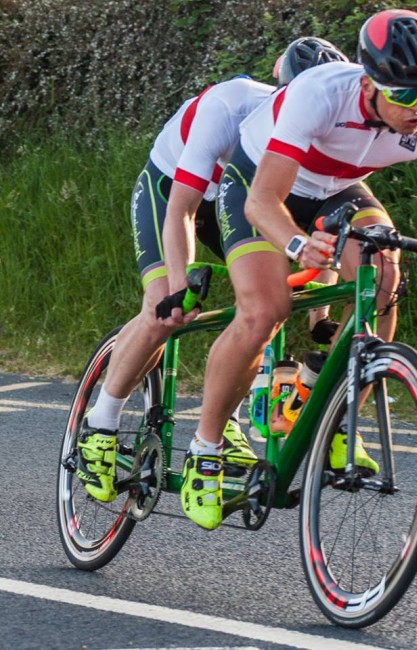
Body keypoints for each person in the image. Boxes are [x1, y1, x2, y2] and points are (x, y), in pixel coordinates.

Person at [179, 9, 417, 530]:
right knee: (265, 310)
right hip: (259, 183)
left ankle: (338, 417)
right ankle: (206, 447)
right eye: (404, 95)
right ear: (369, 83)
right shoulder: (320, 94)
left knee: (386, 273)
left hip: (335, 192)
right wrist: (299, 244)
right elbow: (264, 202)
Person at [75, 38, 349, 503]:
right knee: (165, 310)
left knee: (263, 308)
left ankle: (232, 420)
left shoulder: (318, 133)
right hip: (173, 193)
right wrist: (179, 289)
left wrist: (318, 321)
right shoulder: (230, 104)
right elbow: (180, 208)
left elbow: (312, 223)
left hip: (234, 201)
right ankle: (99, 425)